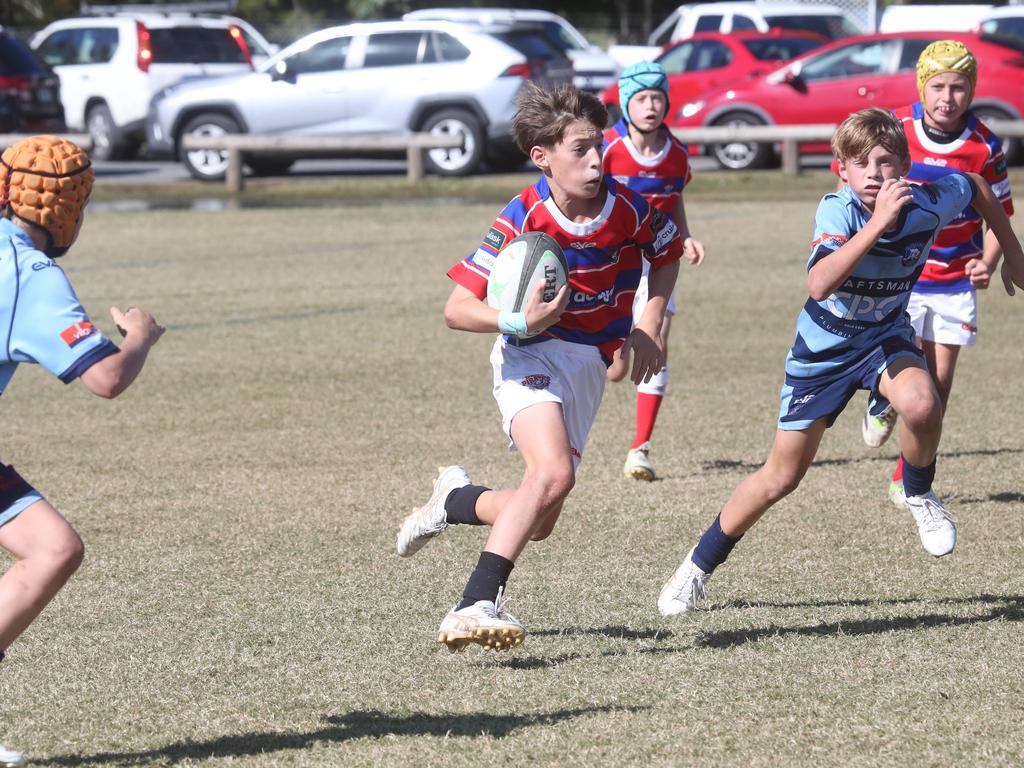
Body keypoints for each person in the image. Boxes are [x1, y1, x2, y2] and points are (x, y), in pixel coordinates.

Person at [657, 107, 1024, 616]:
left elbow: (978, 185)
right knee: (780, 478)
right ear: (842, 171)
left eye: (887, 161)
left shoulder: (928, 201)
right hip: (824, 352)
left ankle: (918, 493)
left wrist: (1011, 250)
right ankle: (695, 568)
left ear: (907, 165)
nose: (875, 173)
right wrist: (877, 225)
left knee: (922, 403)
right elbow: (819, 283)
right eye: (862, 164)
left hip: (884, 337)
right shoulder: (838, 210)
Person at [396, 83, 682, 652]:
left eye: (598, 146)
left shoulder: (626, 208)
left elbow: (666, 252)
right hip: (525, 351)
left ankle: (453, 500)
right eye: (580, 149)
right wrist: (518, 322)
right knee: (553, 475)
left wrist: (648, 323)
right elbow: (457, 309)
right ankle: (474, 602)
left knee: (541, 515)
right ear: (542, 157)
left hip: (586, 364)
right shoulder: (522, 216)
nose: (597, 159)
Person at [0, 136, 164, 764]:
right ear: (68, 208)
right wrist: (141, 338)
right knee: (51, 550)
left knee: (53, 548)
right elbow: (106, 378)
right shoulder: (28, 273)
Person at [855, 40, 1014, 507]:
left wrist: (988, 260)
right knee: (905, 366)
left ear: (972, 90)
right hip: (898, 276)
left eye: (959, 88)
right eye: (938, 86)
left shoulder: (985, 145)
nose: (948, 98)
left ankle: (906, 477)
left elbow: (998, 212)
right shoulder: (896, 127)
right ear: (922, 87)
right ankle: (883, 398)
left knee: (938, 386)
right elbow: (859, 183)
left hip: (952, 279)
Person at [602, 61, 705, 481]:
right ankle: (616, 345)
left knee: (656, 345)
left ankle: (639, 449)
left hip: (658, 264)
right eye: (642, 98)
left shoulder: (676, 153)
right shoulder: (607, 148)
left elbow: (675, 199)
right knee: (614, 369)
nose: (650, 106)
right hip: (610, 265)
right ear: (627, 103)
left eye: (657, 98)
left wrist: (685, 236)